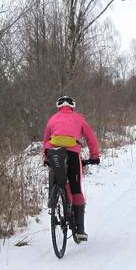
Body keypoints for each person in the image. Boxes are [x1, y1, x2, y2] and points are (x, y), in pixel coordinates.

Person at [42, 95, 100, 242]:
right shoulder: (79, 118)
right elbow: (91, 137)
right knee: (75, 189)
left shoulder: (52, 119)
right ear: (72, 107)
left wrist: (45, 158)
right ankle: (80, 230)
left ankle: (53, 197)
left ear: (58, 107)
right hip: (72, 153)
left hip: (53, 152)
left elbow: (45, 139)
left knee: (56, 173)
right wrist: (94, 156)